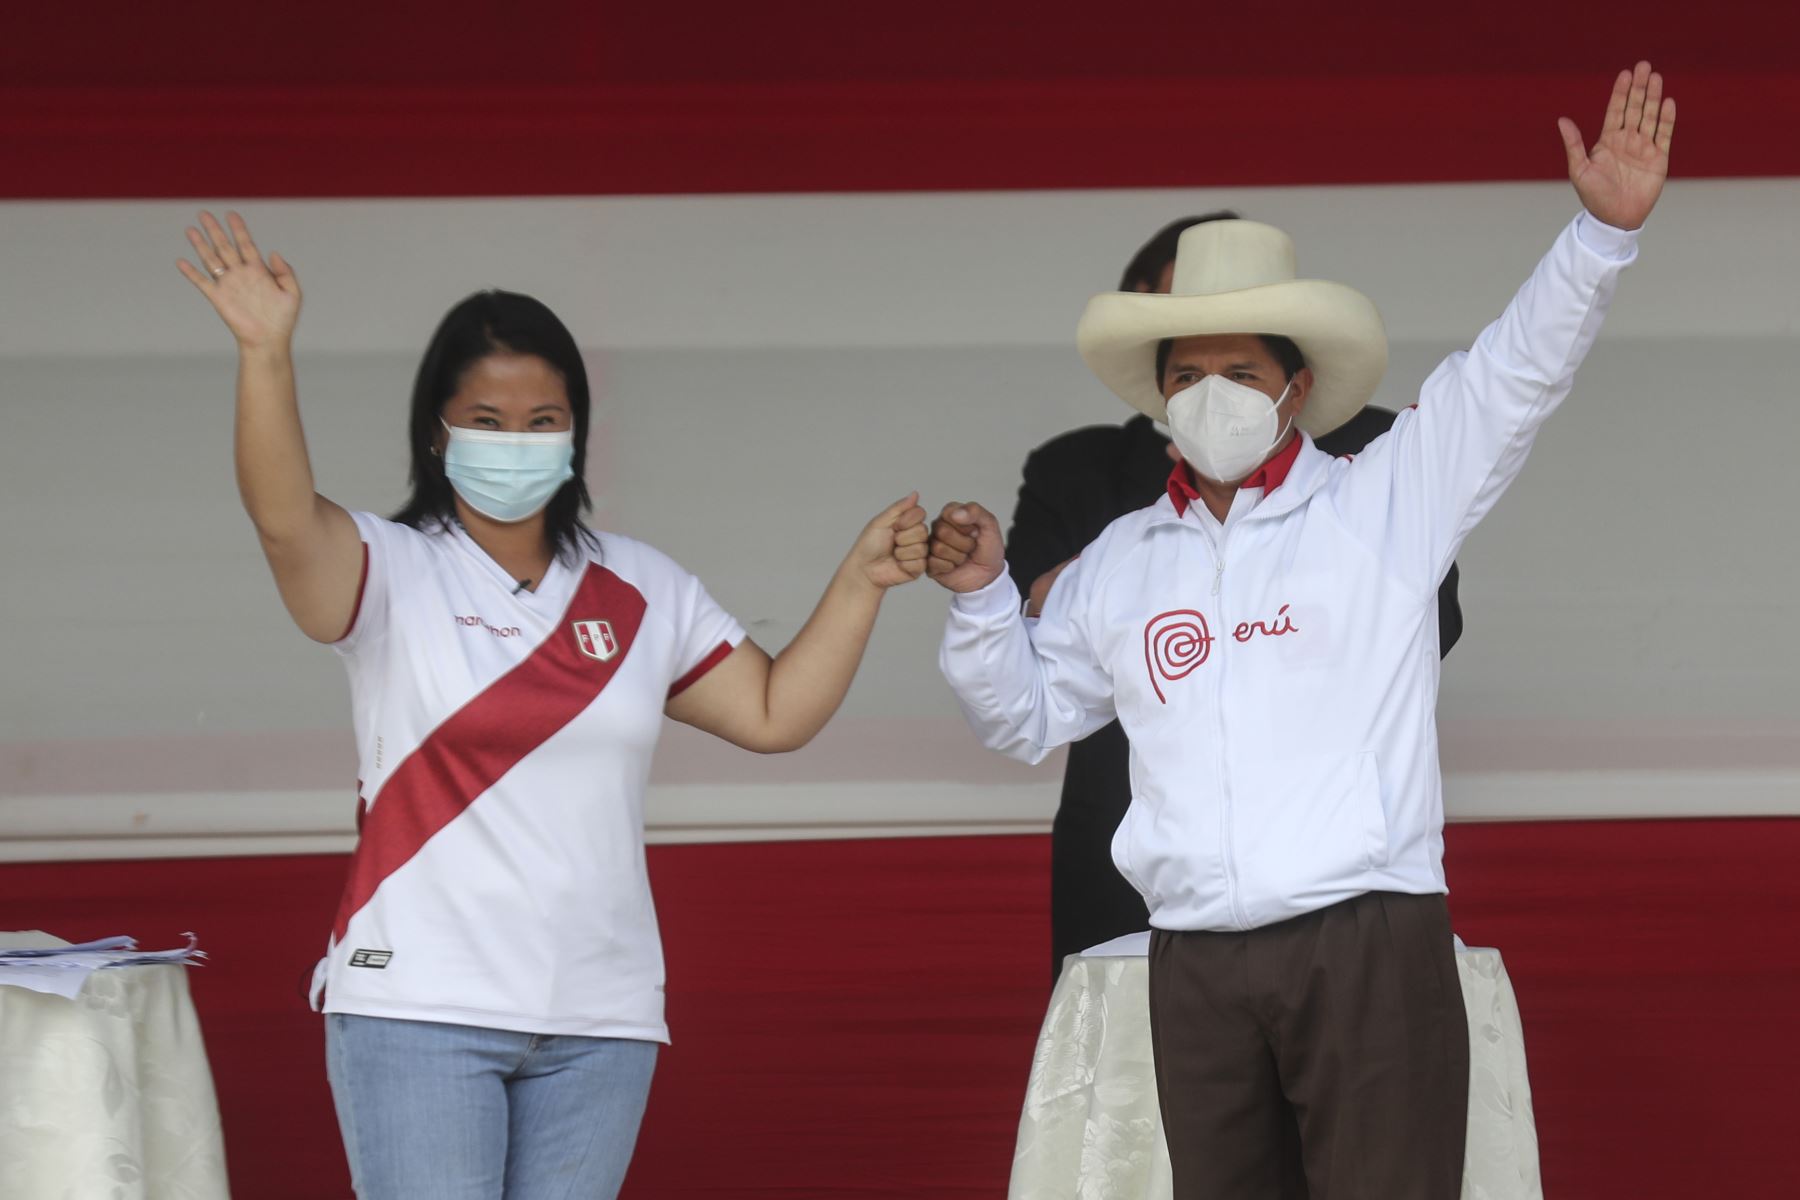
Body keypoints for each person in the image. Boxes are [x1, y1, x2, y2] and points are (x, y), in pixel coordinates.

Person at [929, 64, 1674, 1198]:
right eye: (1185, 376)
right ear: (1158, 401)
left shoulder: (1382, 502)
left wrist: (1599, 238)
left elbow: (1511, 378)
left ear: (1297, 385)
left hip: (1366, 938)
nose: (1209, 394)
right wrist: (985, 599)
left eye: (1239, 371)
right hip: (1191, 959)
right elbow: (1025, 718)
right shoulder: (1126, 560)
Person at [175, 212, 930, 1200]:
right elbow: (282, 520)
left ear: (577, 431)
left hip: (600, 1021)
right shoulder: (388, 572)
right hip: (420, 1008)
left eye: (543, 422)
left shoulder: (642, 587)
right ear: (437, 433)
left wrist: (862, 582)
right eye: (486, 421)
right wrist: (265, 352)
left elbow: (776, 711)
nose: (516, 443)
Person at [1007, 212, 1466, 980]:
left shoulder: (1374, 454)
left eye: (1237, 344)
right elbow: (1030, 638)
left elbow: (1435, 616)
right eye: (1187, 339)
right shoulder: (1075, 470)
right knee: (1127, 1090)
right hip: (1122, 838)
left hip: (1332, 870)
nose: (1212, 376)